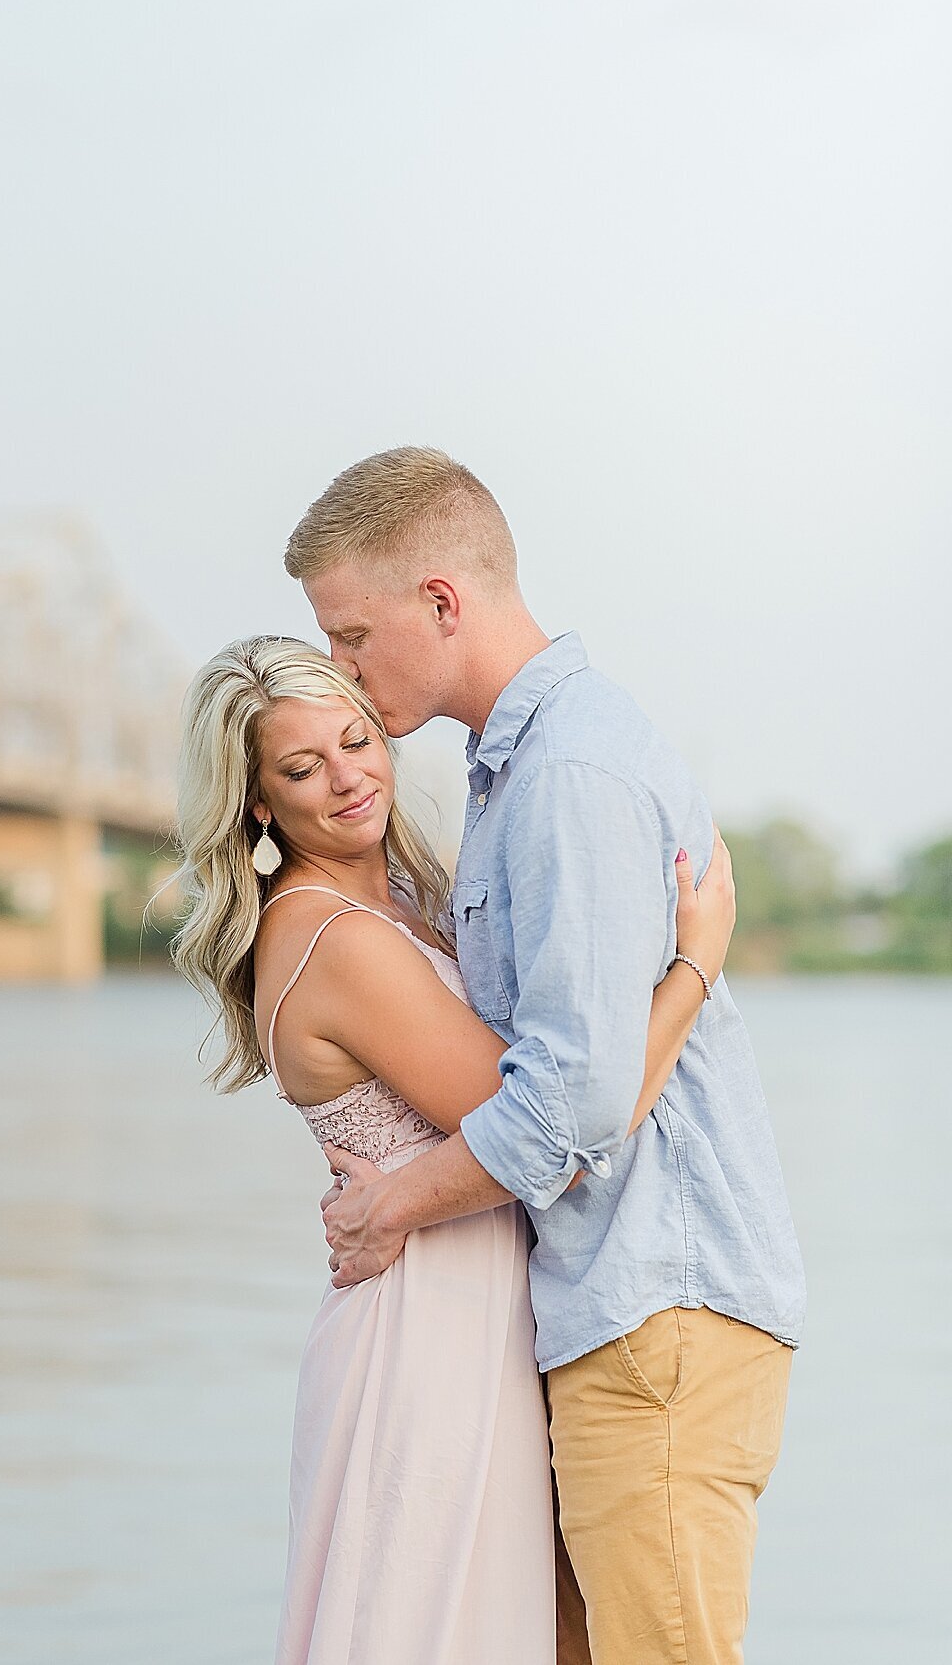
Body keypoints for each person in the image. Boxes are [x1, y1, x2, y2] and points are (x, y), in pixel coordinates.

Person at [288, 446, 807, 1665]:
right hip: (619, 1307)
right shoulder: (516, 765)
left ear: (443, 602)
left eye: (352, 633)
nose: (342, 670)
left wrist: (394, 1206)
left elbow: (572, 1094)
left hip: (658, 1309)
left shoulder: (567, 769)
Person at [172, 635, 736, 1665]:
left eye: (355, 741)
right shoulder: (334, 937)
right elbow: (561, 1135)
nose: (347, 778)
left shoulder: (406, 908)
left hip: (487, 1313)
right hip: (425, 1339)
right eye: (302, 769)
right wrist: (695, 966)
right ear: (256, 802)